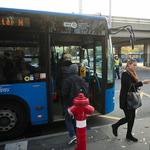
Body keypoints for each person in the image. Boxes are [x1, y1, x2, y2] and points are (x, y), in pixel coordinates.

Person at [111, 59, 150, 142]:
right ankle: (115, 126)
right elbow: (129, 85)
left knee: (132, 118)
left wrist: (137, 86)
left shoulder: (132, 73)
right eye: (133, 65)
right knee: (129, 118)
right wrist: (142, 83)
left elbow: (133, 85)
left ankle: (129, 134)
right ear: (128, 64)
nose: (135, 67)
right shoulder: (125, 74)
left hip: (132, 98)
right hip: (126, 99)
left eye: (136, 65)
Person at [61, 64, 81, 145]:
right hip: (79, 104)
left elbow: (64, 94)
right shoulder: (81, 79)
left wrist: (64, 103)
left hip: (70, 103)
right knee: (76, 119)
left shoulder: (67, 80)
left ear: (70, 71)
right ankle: (76, 135)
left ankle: (73, 135)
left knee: (68, 119)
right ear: (77, 70)